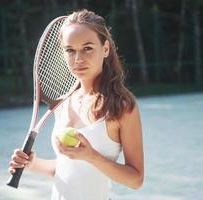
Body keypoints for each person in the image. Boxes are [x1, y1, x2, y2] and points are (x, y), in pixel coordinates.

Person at [8, 9, 144, 200]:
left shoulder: (122, 105)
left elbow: (136, 179)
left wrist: (91, 156)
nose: (78, 59)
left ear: (105, 49)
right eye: (70, 50)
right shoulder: (63, 103)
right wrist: (32, 164)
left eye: (87, 48)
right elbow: (67, 168)